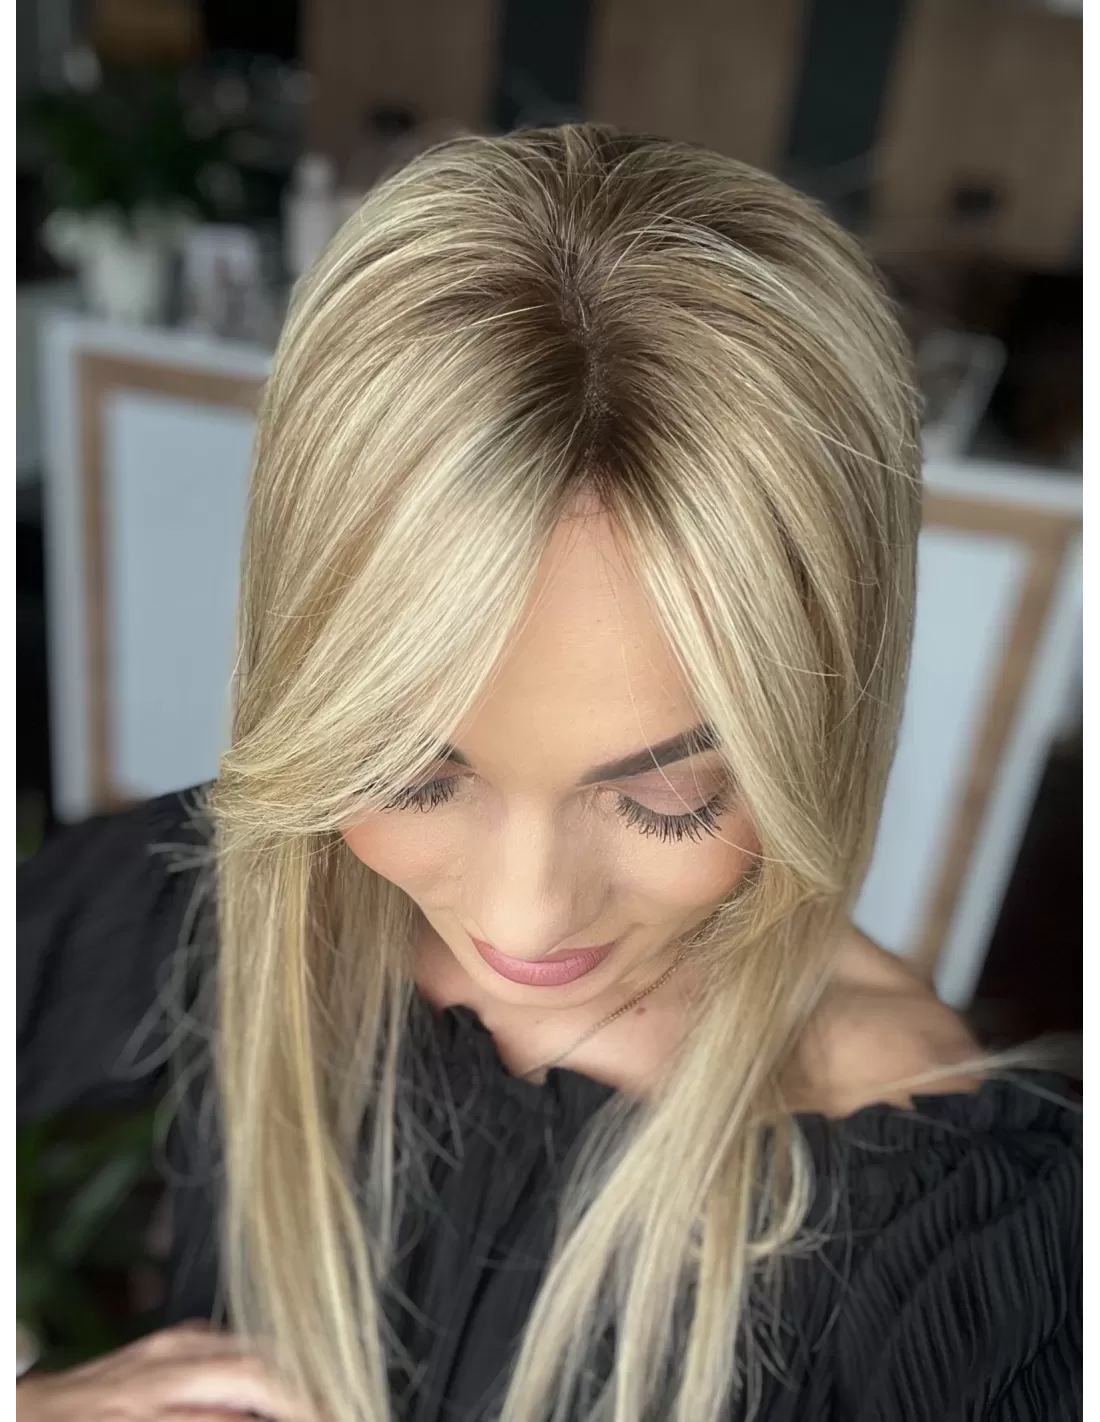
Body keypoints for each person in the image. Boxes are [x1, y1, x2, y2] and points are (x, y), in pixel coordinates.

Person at [17, 125, 1080, 1422]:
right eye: (410, 774)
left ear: (820, 723)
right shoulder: (240, 895)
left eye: (667, 796)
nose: (522, 921)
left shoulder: (945, 1227)